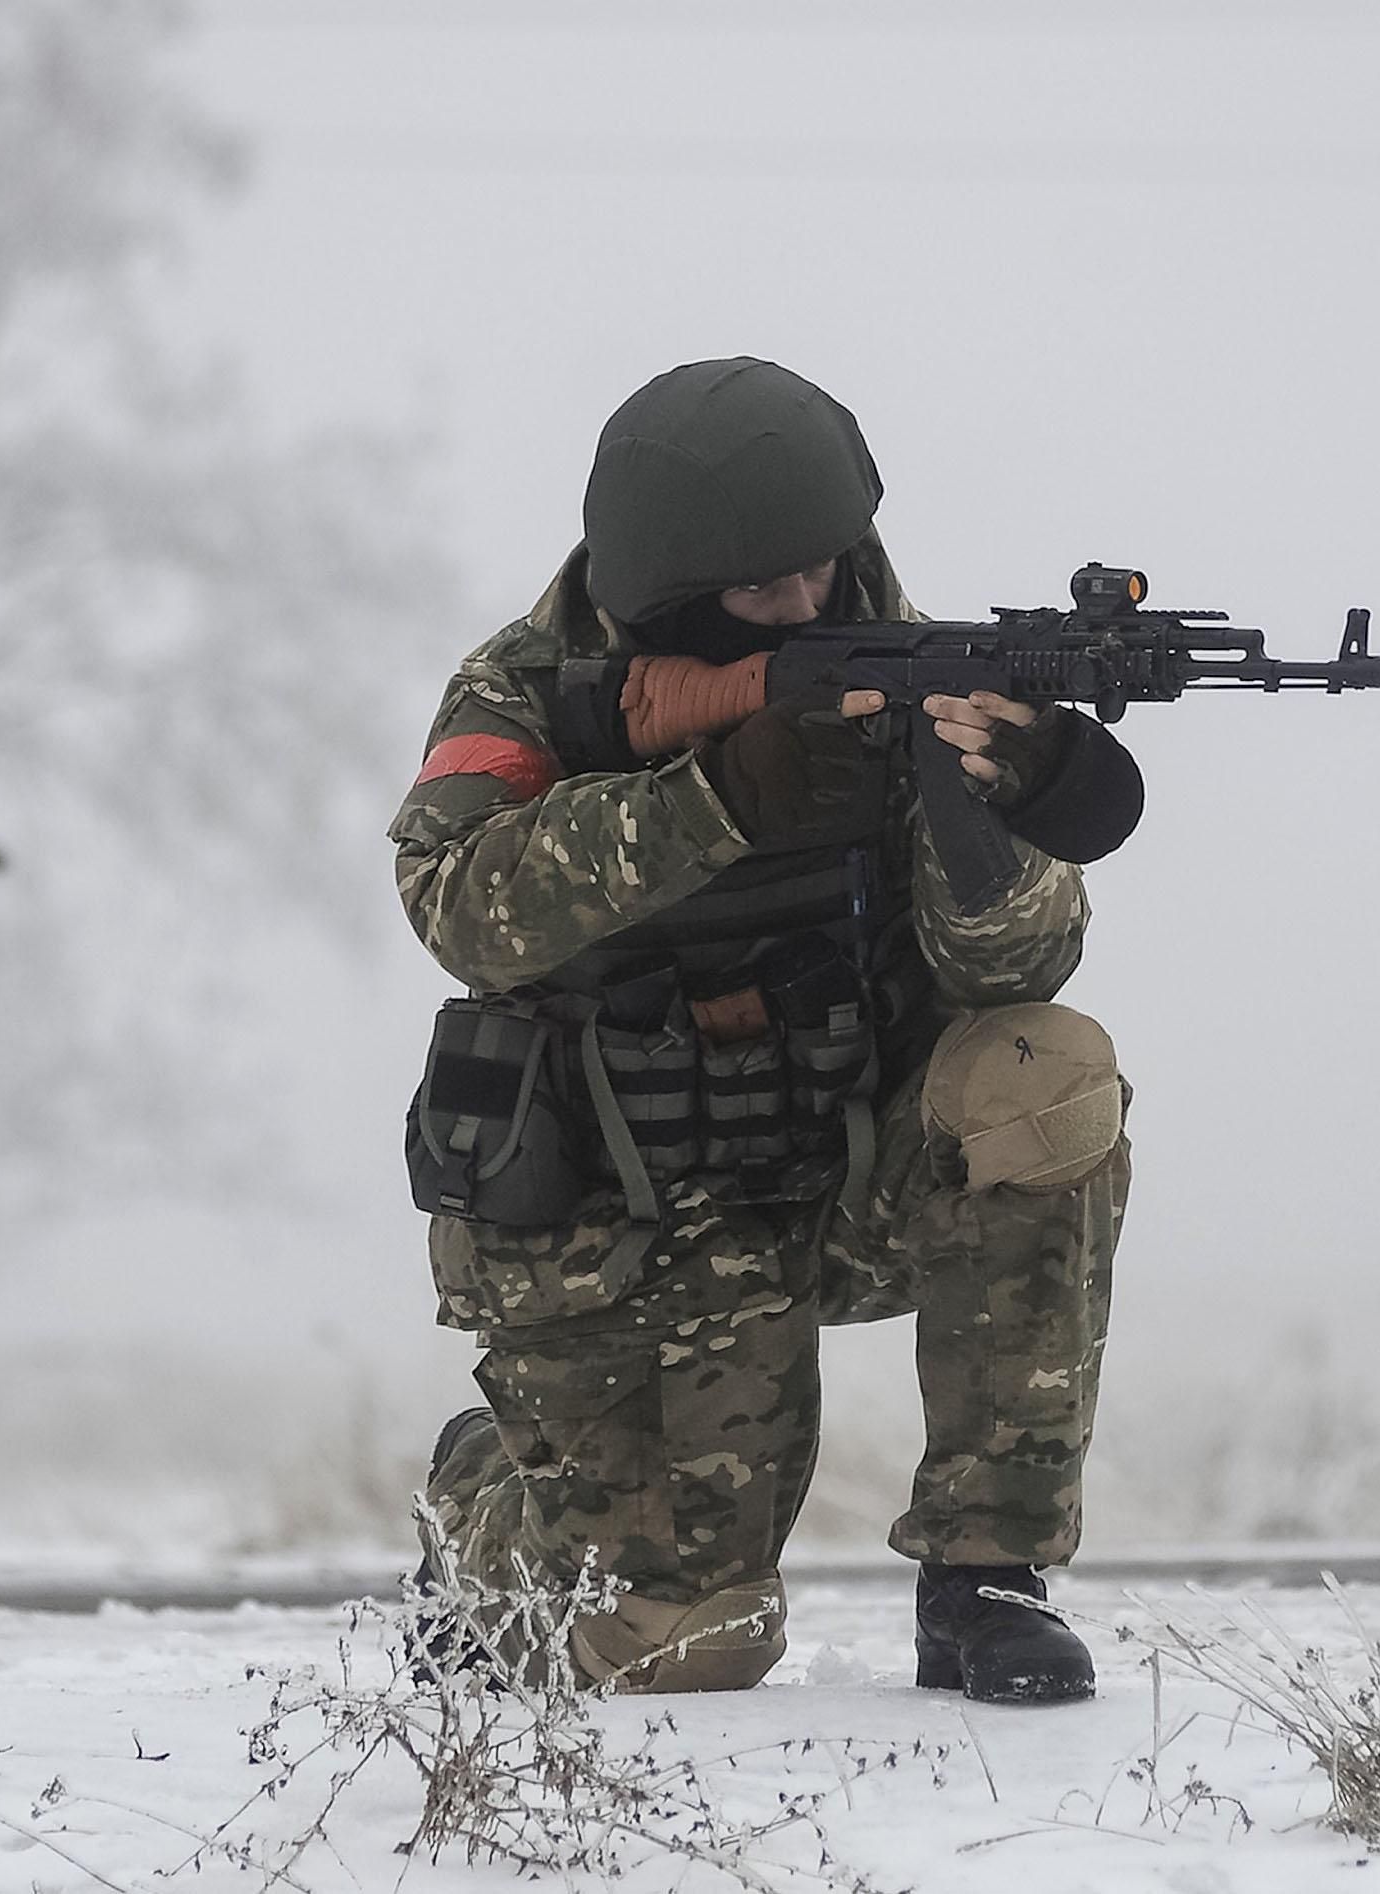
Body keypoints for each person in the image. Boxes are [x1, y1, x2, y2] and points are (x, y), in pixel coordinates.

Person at [390, 358, 1142, 1701]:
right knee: (686, 1646)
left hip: (842, 1174)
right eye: (758, 589)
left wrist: (993, 808)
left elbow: (1017, 966)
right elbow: (457, 904)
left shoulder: (903, 665)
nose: (804, 603)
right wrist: (722, 794)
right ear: (664, 583)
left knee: (1046, 1071)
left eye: (819, 568)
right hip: (624, 1224)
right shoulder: (525, 688)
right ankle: (482, 1504)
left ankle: (986, 1574)